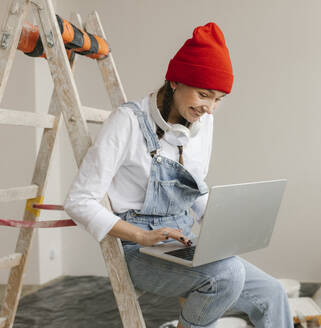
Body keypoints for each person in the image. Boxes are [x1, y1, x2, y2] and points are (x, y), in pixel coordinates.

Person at [64, 22, 294, 328]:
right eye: (204, 95)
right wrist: (142, 236)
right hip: (138, 250)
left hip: (184, 241)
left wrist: (226, 225)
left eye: (218, 100)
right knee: (227, 276)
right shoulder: (127, 122)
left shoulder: (203, 125)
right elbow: (79, 201)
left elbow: (194, 192)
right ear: (175, 82)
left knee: (273, 294)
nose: (209, 109)